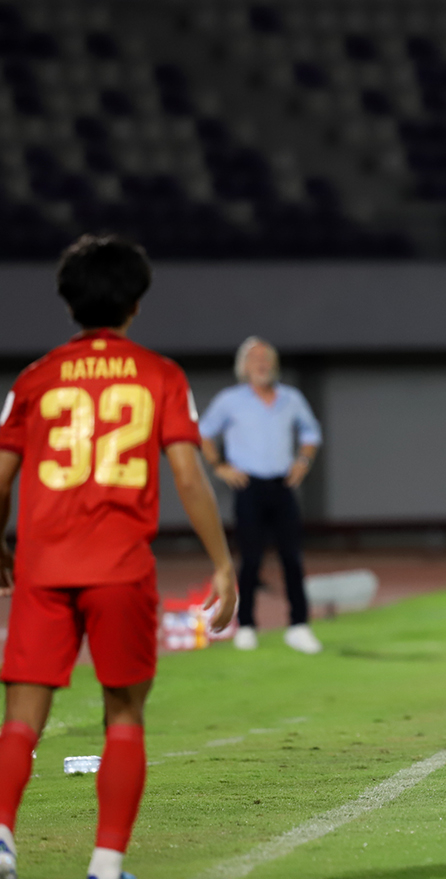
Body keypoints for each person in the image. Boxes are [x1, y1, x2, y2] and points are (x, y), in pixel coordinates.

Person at [0, 234, 236, 879]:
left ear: (68, 303)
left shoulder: (33, 379)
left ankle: (0, 840)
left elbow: (0, 477)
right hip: (120, 569)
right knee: (124, 714)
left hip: (43, 569)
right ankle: (106, 866)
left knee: (21, 718)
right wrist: (221, 562)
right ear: (135, 304)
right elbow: (187, 475)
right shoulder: (160, 375)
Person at [199, 337, 323, 654]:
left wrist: (303, 461)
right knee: (250, 559)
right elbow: (203, 432)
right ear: (244, 366)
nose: (262, 365)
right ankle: (247, 625)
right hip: (248, 485)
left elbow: (311, 432)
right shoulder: (231, 400)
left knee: (292, 557)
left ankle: (299, 625)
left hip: (282, 484)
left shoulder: (290, 398)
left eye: (267, 359)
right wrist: (219, 466)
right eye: (255, 360)